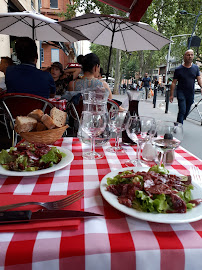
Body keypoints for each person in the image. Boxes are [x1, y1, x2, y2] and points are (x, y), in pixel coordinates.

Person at [170, 49, 202, 124]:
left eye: (191, 55)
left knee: (186, 112)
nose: (190, 56)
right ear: (184, 57)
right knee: (182, 110)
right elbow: (174, 83)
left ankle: (178, 122)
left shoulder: (195, 68)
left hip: (190, 93)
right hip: (181, 92)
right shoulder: (178, 69)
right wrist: (171, 95)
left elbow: (199, 78)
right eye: (188, 55)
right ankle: (179, 127)